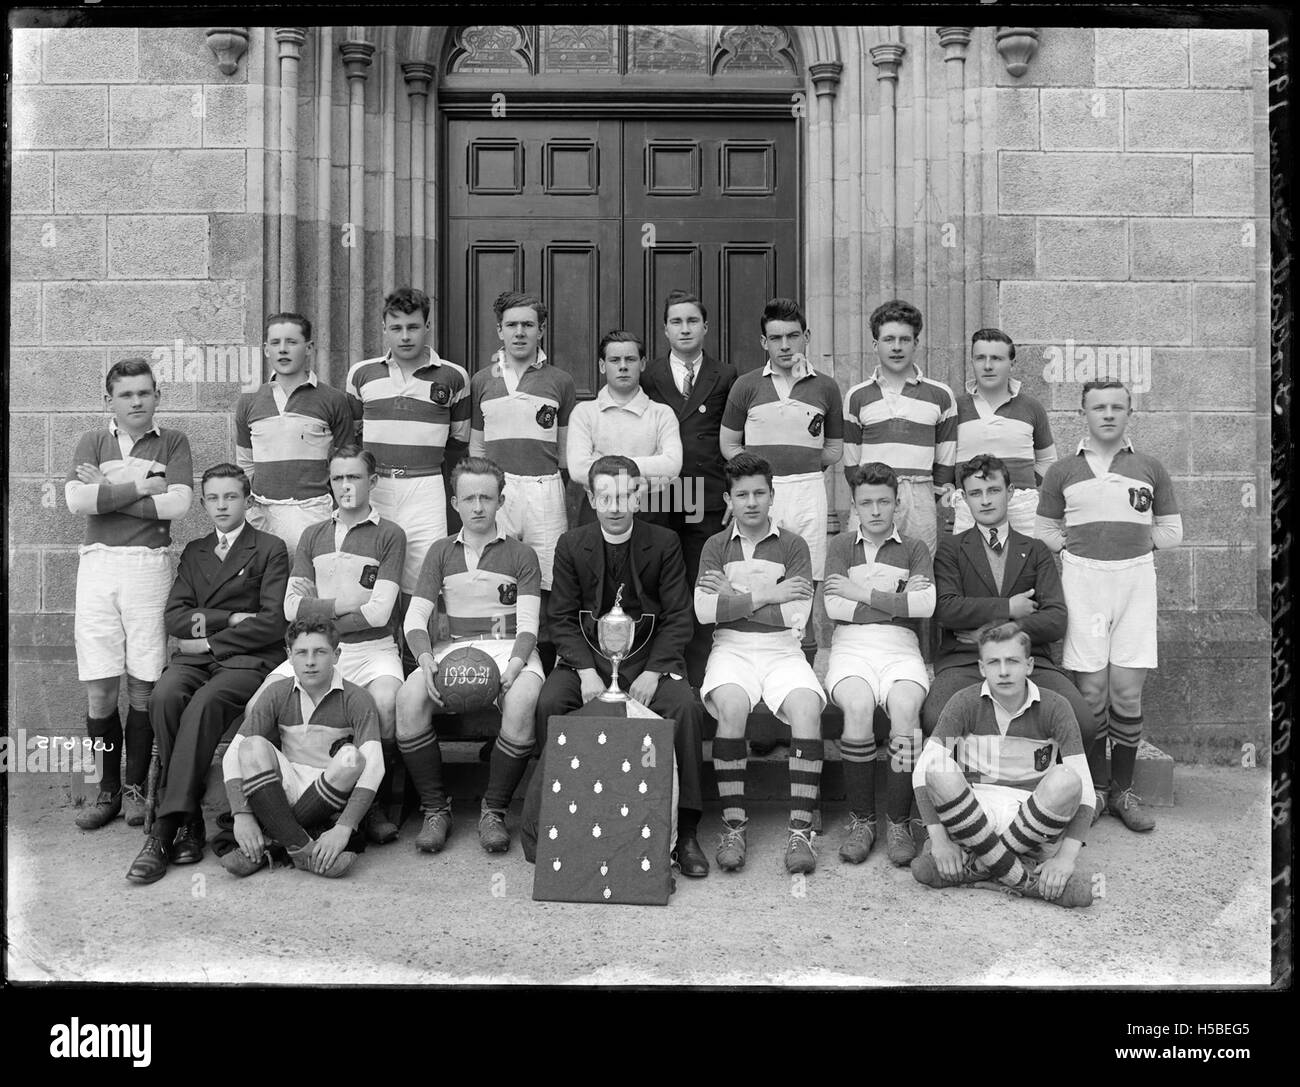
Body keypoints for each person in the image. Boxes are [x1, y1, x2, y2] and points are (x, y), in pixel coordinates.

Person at [524, 455, 709, 876]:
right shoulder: (572, 544)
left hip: (647, 658)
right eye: (605, 495)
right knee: (550, 702)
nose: (615, 505)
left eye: (624, 495)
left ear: (638, 496)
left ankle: (689, 830)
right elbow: (562, 618)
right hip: (586, 659)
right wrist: (586, 671)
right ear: (590, 497)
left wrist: (654, 670)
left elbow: (680, 616)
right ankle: (554, 818)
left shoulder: (663, 543)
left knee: (684, 707)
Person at [125, 464, 289, 883]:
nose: (222, 505)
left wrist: (211, 640)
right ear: (202, 503)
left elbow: (271, 623)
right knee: (164, 695)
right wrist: (230, 616)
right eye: (213, 498)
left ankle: (165, 828)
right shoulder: (195, 551)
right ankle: (190, 818)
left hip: (247, 660)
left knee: (205, 703)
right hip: (193, 659)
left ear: (248, 501)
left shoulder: (269, 548)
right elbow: (177, 618)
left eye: (231, 497)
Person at [1036, 380, 1182, 832]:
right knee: (1093, 692)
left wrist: (1135, 549)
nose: (1108, 414)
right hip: (1083, 582)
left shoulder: (1150, 467)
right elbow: (1043, 529)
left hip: (1135, 582)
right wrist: (1074, 548)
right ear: (1083, 412)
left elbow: (1173, 532)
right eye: (1099, 407)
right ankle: (1096, 789)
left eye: (1118, 407)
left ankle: (1123, 789)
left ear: (1130, 412)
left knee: (1125, 691)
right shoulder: (1063, 470)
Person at [925, 454, 1101, 813]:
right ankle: (958, 802)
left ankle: (1056, 800)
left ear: (1010, 492)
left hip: (1027, 660)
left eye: (993, 490)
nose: (986, 500)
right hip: (965, 661)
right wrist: (1010, 607)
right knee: (935, 716)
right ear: (965, 498)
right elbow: (946, 609)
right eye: (976, 493)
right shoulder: (951, 550)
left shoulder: (1034, 550)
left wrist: (992, 632)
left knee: (1082, 719)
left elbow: (1055, 619)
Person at [252, 444, 407, 845]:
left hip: (374, 650)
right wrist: (344, 604)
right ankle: (288, 797)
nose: (345, 485)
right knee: (258, 705)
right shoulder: (313, 535)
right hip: (317, 650)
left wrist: (318, 611)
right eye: (338, 478)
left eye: (354, 477)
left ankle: (372, 805)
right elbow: (290, 609)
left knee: (387, 704)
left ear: (372, 481)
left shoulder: (390, 535)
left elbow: (378, 613)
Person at [65, 357, 194, 830]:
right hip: (98, 566)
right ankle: (107, 790)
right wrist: (142, 486)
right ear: (110, 401)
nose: (136, 401)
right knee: (100, 686)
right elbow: (78, 501)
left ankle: (138, 789)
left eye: (144, 392)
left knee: (144, 682)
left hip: (150, 567)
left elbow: (177, 504)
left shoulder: (174, 441)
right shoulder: (91, 440)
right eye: (126, 394)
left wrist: (110, 490)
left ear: (157, 395)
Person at [396, 457, 546, 855]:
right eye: (469, 498)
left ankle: (493, 810)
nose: (478, 506)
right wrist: (425, 660)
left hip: (510, 651)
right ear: (454, 502)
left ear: (500, 501)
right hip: (455, 651)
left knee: (523, 701)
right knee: (409, 698)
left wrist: (515, 665)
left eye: (486, 497)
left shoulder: (521, 555)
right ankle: (434, 809)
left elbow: (529, 625)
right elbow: (415, 617)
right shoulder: (440, 552)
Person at [695, 453, 826, 875]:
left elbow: (795, 618)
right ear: (728, 499)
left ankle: (801, 829)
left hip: (782, 648)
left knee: (806, 706)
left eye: (759, 493)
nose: (751, 502)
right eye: (741, 495)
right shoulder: (716, 545)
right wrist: (768, 594)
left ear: (772, 496)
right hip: (731, 649)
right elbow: (703, 612)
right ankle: (734, 825)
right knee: (731, 707)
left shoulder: (793, 545)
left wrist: (731, 596)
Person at [910, 624, 1096, 908]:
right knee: (936, 767)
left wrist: (1065, 860)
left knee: (1068, 779)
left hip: (1032, 821)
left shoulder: (1056, 706)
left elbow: (1086, 792)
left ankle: (975, 868)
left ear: (1030, 665)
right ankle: (1025, 880)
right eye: (994, 662)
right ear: (982, 668)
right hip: (973, 817)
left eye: (1013, 661)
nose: (1004, 671)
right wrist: (940, 842)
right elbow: (923, 771)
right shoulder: (964, 701)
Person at [823, 463, 935, 866]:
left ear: (897, 503)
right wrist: (895, 599)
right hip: (850, 647)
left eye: (883, 502)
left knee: (906, 710)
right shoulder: (839, 546)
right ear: (853, 505)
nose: (875, 511)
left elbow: (923, 607)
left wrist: (861, 591)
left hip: (902, 648)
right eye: (866, 503)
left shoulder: (915, 547)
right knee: (857, 707)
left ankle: (899, 820)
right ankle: (862, 820)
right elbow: (834, 605)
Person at [220, 617, 384, 879]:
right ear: (289, 656)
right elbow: (232, 753)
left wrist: (344, 827)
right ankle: (304, 850)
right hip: (285, 785)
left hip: (329, 790)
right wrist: (241, 814)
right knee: (250, 746)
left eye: (320, 652)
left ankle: (272, 840)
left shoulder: (356, 698)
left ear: (336, 655)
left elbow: (375, 766)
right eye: (301, 653)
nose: (310, 661)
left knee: (352, 757)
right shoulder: (276, 692)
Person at [346, 286, 470, 597]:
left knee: (426, 578)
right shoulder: (361, 374)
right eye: (396, 328)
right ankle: (379, 645)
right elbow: (354, 433)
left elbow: (458, 439)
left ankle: (420, 646)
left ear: (427, 327)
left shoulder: (454, 377)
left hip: (425, 487)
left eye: (413, 327)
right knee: (369, 575)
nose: (405, 336)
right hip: (377, 486)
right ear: (384, 329)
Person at [720, 297, 843, 588]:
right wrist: (755, 475)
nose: (785, 345)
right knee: (759, 571)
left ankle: (804, 634)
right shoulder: (746, 385)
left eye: (793, 336)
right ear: (764, 342)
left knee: (806, 576)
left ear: (806, 337)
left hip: (808, 489)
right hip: (762, 491)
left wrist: (805, 462)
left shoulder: (826, 386)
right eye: (776, 338)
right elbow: (729, 445)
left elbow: (835, 449)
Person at [469, 290, 576, 594]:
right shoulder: (481, 380)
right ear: (499, 330)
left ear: (541, 330)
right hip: (497, 489)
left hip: (543, 488)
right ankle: (499, 640)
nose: (519, 333)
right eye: (512, 325)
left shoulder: (561, 380)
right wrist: (482, 487)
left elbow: (565, 450)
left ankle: (542, 640)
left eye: (528, 325)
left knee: (548, 576)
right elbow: (476, 446)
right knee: (495, 572)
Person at [842, 299, 956, 556]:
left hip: (920, 494)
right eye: (888, 339)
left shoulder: (940, 395)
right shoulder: (857, 396)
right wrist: (866, 496)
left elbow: (945, 460)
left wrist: (932, 501)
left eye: (904, 340)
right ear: (875, 344)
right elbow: (851, 462)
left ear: (916, 343)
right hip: (873, 494)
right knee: (866, 563)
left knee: (921, 569)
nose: (896, 347)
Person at [236, 312, 353, 554]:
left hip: (312, 512)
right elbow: (245, 464)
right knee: (267, 587)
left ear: (308, 347)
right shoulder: (249, 402)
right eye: (276, 343)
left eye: (292, 342)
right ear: (266, 349)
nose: (283, 350)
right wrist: (250, 511)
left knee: (308, 584)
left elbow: (346, 464)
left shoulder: (333, 400)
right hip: (262, 515)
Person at [948, 328, 1057, 537]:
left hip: (1021, 509)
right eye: (980, 358)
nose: (988, 366)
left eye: (996, 358)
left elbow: (1048, 461)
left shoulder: (1031, 407)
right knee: (970, 567)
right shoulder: (955, 408)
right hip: (970, 508)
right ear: (972, 361)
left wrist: (1022, 486)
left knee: (1026, 567)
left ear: (1012, 363)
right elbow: (944, 459)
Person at [568, 331, 681, 526]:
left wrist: (604, 464)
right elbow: (578, 469)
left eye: (630, 359)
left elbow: (671, 465)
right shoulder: (584, 413)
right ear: (602, 366)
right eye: (614, 360)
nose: (623, 366)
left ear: (642, 364)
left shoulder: (662, 413)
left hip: (650, 509)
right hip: (598, 507)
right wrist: (644, 470)